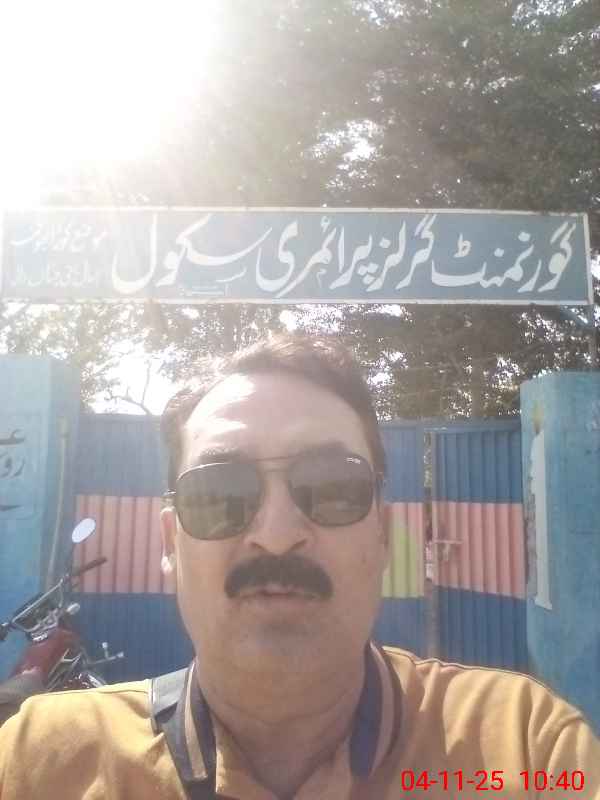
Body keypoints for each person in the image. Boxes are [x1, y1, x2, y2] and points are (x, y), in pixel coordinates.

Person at [0, 333, 598, 800]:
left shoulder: (525, 750)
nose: (277, 535)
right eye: (219, 493)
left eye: (332, 486)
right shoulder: (41, 760)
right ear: (169, 544)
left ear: (383, 535)